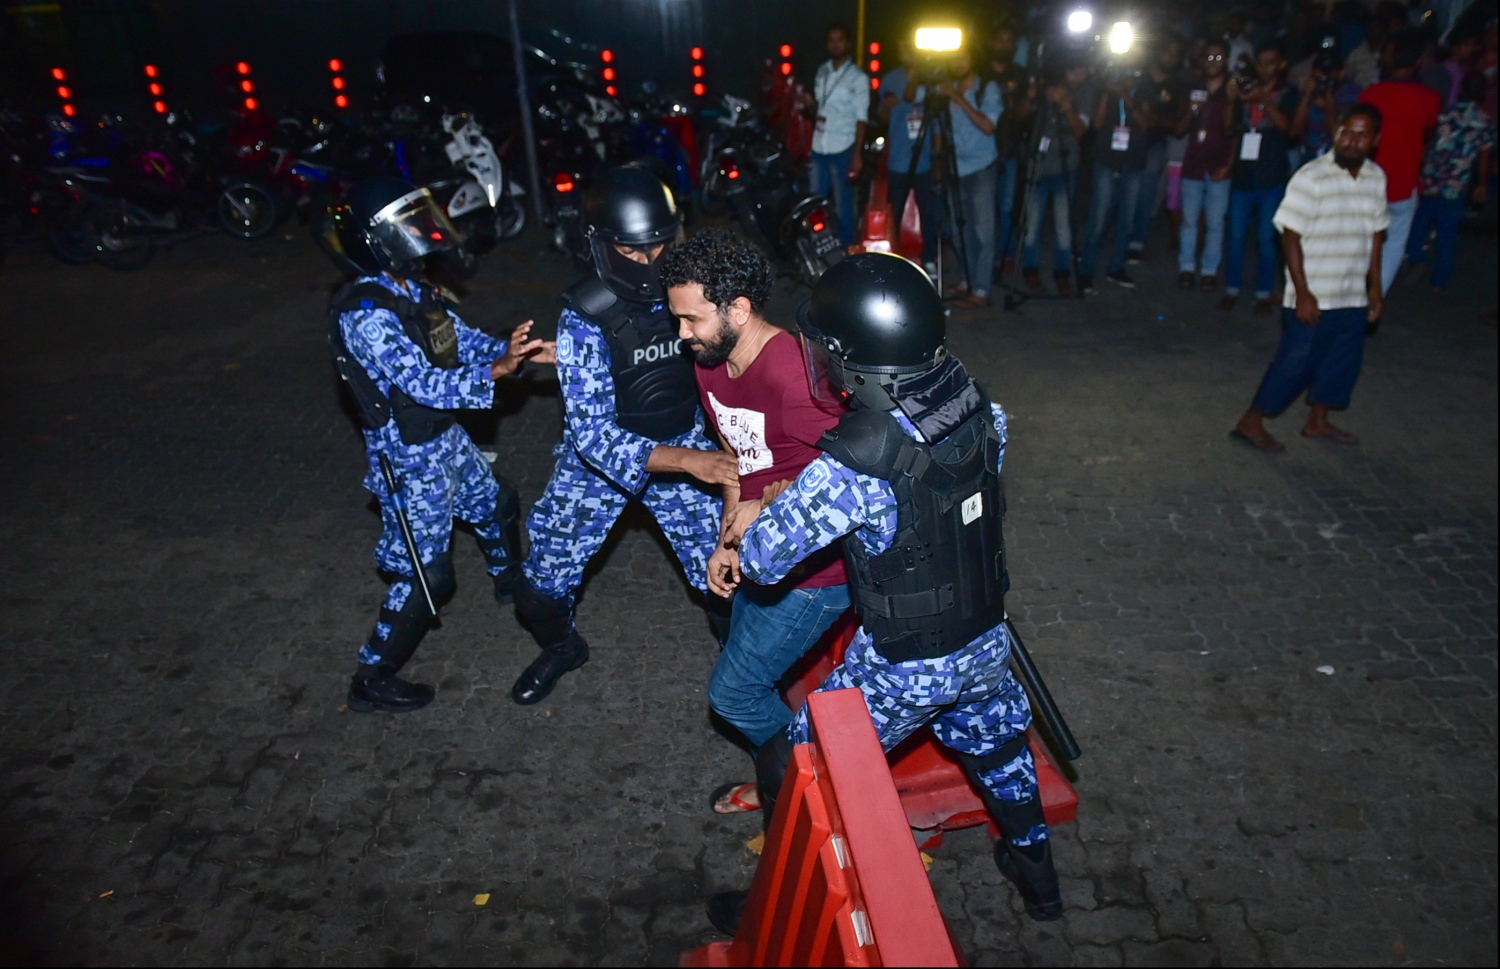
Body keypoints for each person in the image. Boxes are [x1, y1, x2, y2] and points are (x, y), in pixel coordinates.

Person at [703, 253, 1061, 936]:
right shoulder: (984, 406)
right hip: (986, 636)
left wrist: (768, 506)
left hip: (905, 660)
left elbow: (770, 559)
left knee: (798, 762)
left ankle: (770, 908)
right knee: (998, 746)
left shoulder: (858, 459)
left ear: (848, 355)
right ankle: (1038, 877)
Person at [325, 177, 554, 713]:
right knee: (427, 578)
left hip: (441, 433)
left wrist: (508, 351)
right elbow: (423, 383)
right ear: (375, 241)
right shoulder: (366, 313)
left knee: (498, 504)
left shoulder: (412, 287)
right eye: (407, 226)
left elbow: (457, 339)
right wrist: (495, 373)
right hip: (406, 455)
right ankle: (372, 677)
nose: (422, 235)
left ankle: (509, 583)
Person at [509, 166, 734, 705]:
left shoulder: (694, 287)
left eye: (659, 247)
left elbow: (734, 358)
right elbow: (592, 436)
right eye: (632, 252)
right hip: (604, 468)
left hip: (685, 440)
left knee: (728, 580)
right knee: (538, 591)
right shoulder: (585, 313)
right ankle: (563, 649)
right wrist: (690, 462)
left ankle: (743, 676)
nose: (650, 262)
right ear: (602, 246)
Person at [658, 230, 851, 816]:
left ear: (738, 309)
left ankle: (802, 793)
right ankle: (784, 780)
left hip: (819, 573)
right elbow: (741, 459)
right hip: (762, 555)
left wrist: (767, 508)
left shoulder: (796, 377)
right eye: (677, 320)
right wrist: (728, 541)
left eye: (691, 320)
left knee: (735, 694)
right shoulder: (713, 361)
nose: (681, 335)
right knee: (746, 670)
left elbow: (858, 481)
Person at [1232, 104, 1388, 452]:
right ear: (1336, 133)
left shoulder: (1377, 178)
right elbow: (1290, 235)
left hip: (1352, 293)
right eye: (1346, 131)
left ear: (1375, 140)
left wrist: (1375, 290)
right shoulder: (1311, 176)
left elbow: (1376, 236)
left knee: (1341, 363)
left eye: (1362, 135)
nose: (1351, 140)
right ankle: (1251, 421)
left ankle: (1318, 421)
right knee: (1294, 364)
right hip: (1314, 291)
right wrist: (1302, 291)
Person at [1359, 31, 1443, 297]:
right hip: (1404, 183)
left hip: (1369, 182)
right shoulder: (1430, 99)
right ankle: (1375, 296)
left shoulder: (1371, 94)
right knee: (1393, 244)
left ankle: (1353, 294)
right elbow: (1428, 134)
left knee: (1362, 241)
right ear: (1418, 62)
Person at [1222, 43, 1301, 315]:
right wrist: (1232, 98)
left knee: (1267, 240)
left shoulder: (1288, 93)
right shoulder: (1246, 89)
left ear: (1281, 65)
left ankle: (1263, 294)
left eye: (1270, 62)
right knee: (1235, 238)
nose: (1265, 67)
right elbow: (1228, 128)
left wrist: (1264, 100)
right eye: (1261, 62)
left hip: (1271, 177)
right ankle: (1231, 289)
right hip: (1243, 177)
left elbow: (1290, 129)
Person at [1405, 72, 1495, 291]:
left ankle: (1418, 259)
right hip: (1456, 185)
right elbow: (1484, 157)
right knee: (1447, 233)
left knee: (1418, 225)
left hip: (1432, 178)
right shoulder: (1483, 122)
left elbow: (1428, 143)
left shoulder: (1445, 113)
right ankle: (1440, 280)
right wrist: (1482, 184)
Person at [942, 46, 1004, 308]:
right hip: (955, 167)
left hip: (981, 168)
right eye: (953, 57)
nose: (958, 62)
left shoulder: (986, 88)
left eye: (963, 57)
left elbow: (988, 126)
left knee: (982, 231)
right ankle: (967, 280)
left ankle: (981, 289)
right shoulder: (948, 87)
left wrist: (959, 97)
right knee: (959, 230)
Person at [1021, 59, 1088, 295]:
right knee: (1031, 225)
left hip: (1065, 167)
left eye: (1081, 72)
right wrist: (1031, 98)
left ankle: (1062, 274)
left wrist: (1066, 104)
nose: (1077, 77)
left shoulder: (1084, 94)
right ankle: (1030, 271)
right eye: (1073, 71)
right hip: (1037, 166)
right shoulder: (1041, 89)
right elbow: (1019, 120)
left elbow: (1082, 131)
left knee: (1063, 226)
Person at [1177, 38, 1236, 289]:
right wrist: (1192, 110)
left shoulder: (1232, 90)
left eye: (1218, 57)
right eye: (1209, 57)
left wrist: (1228, 165)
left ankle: (1209, 270)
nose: (1213, 62)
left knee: (1215, 222)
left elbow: (1234, 132)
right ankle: (1187, 267)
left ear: (1226, 59)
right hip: (1193, 162)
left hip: (1218, 165)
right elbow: (1178, 128)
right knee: (1189, 220)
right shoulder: (1193, 87)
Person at [803, 23, 869, 247]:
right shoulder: (822, 70)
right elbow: (822, 108)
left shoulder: (858, 78)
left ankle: (846, 249)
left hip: (843, 147)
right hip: (819, 145)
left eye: (840, 39)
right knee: (815, 202)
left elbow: (862, 119)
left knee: (843, 205)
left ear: (848, 43)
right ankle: (819, 249)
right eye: (831, 40)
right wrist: (809, 105)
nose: (835, 44)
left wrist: (857, 156)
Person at [1129, 34, 1190, 263]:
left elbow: (1178, 123)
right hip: (1125, 142)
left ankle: (1138, 239)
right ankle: (1117, 235)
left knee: (1147, 191)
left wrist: (1153, 118)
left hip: (1154, 143)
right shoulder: (1138, 76)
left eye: (1177, 54)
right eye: (1168, 51)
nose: (1172, 57)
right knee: (1121, 190)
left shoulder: (1177, 85)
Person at [882, 38, 939, 275]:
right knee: (894, 212)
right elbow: (885, 115)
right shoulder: (890, 78)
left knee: (929, 212)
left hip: (924, 159)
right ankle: (892, 260)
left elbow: (936, 123)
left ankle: (930, 259)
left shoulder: (934, 77)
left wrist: (938, 157)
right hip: (899, 159)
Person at [990, 24, 1032, 271]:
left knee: (1007, 206)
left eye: (1009, 42)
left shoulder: (1020, 74)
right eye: (1000, 40)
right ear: (991, 44)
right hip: (982, 149)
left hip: (1011, 148)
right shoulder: (981, 73)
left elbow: (1025, 115)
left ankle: (1006, 251)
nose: (1004, 46)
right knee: (982, 206)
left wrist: (1023, 101)